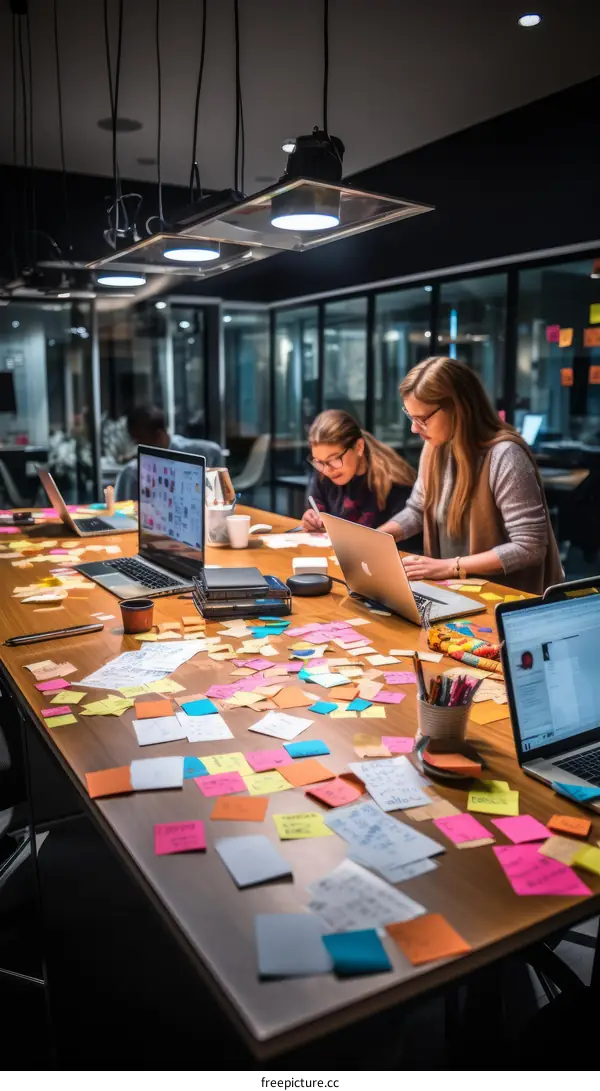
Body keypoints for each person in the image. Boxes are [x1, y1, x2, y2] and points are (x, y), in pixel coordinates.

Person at [378, 356, 564, 595]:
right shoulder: (434, 448)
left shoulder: (505, 456)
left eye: (422, 419)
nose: (414, 428)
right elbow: (417, 510)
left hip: (506, 600)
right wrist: (377, 538)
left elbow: (529, 547)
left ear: (458, 409)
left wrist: (449, 566)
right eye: (410, 416)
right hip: (458, 592)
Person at [302, 409, 417, 531]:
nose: (327, 470)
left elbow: (408, 542)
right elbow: (315, 511)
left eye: (334, 459)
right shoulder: (323, 472)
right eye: (319, 461)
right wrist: (311, 519)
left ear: (358, 447)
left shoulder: (393, 483)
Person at [114, 406, 224, 501]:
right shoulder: (132, 472)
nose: (139, 448)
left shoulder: (197, 452)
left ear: (159, 435)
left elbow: (215, 452)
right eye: (136, 442)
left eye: (141, 441)